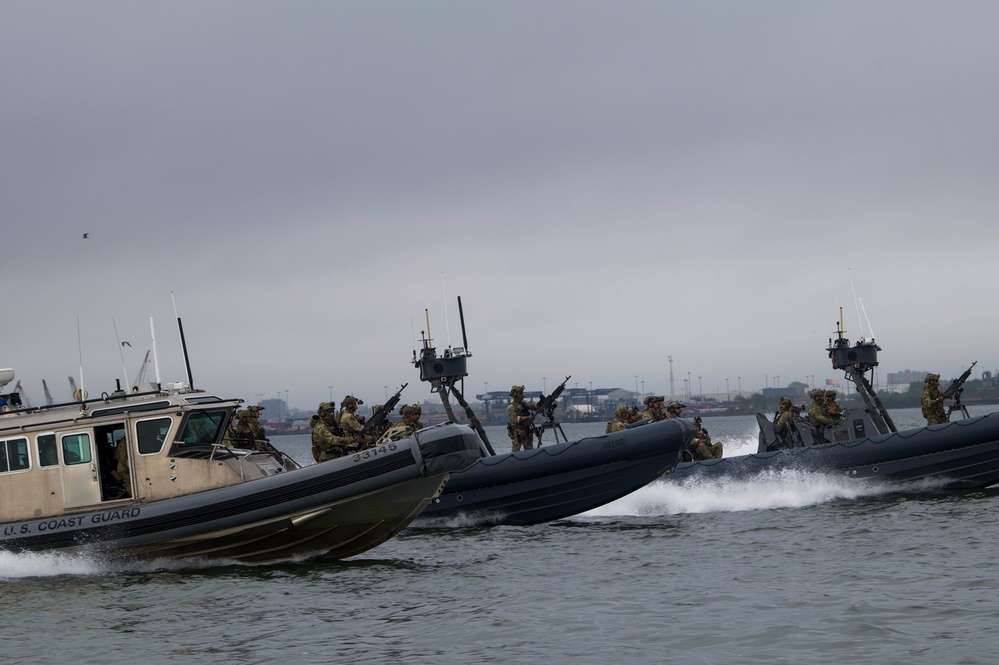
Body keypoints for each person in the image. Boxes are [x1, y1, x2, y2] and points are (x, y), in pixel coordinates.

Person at [506, 385, 538, 452]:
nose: (523, 395)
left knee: (529, 450)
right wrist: (527, 417)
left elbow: (531, 405)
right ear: (516, 395)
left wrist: (538, 404)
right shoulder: (511, 407)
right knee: (516, 451)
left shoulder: (523, 403)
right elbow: (514, 419)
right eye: (521, 393)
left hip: (526, 430)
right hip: (517, 432)